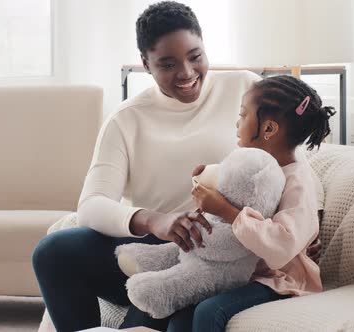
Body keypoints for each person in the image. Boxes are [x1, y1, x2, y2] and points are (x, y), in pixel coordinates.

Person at [32, 2, 321, 331]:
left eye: (195, 56)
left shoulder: (246, 89)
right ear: (146, 64)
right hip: (159, 246)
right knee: (52, 252)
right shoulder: (126, 120)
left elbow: (293, 163)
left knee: (166, 316)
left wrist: (300, 233)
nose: (186, 73)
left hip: (230, 253)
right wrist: (155, 221)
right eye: (167, 64)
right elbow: (91, 206)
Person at [184, 75, 335, 332]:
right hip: (241, 271)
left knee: (209, 311)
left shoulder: (297, 179)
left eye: (243, 115)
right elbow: (230, 201)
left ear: (268, 129)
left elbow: (283, 244)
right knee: (179, 311)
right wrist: (208, 182)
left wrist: (227, 211)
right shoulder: (248, 165)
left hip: (279, 280)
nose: (237, 122)